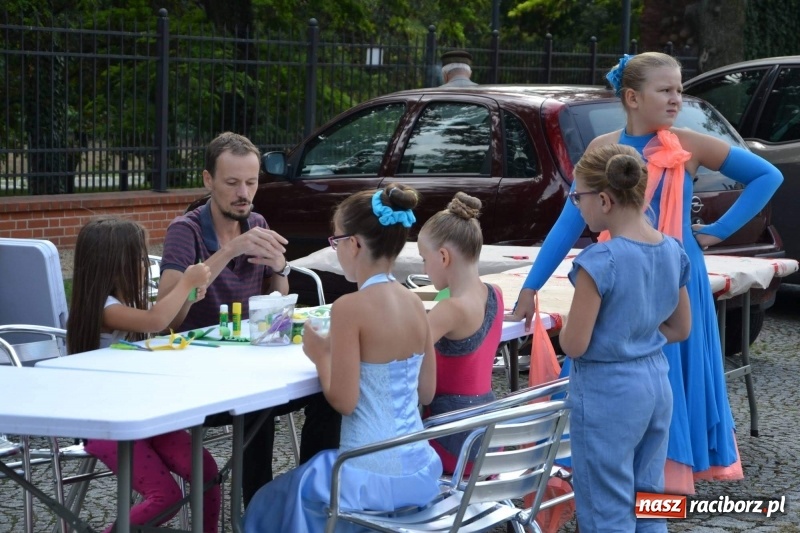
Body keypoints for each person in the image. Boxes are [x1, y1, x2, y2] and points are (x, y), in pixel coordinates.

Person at [510, 52, 783, 494]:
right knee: (634, 378)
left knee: (669, 380)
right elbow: (569, 221)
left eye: (680, 89)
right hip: (623, 280)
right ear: (633, 97)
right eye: (666, 90)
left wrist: (716, 232)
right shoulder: (603, 151)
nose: (677, 98)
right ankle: (631, 489)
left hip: (676, 277)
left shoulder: (689, 143)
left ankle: (657, 496)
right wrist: (531, 284)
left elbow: (766, 176)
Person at [243, 183, 442, 532]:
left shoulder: (350, 307)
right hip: (420, 467)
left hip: (368, 472)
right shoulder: (414, 302)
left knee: (269, 499)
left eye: (335, 241)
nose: (334, 250)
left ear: (355, 243)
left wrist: (320, 355)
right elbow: (426, 393)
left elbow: (345, 402)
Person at [157, 131, 341, 504]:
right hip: (198, 376)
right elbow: (168, 317)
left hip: (250, 364)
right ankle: (256, 510)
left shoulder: (256, 221)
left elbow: (275, 304)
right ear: (208, 180)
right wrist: (229, 251)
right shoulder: (186, 231)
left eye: (252, 182)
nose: (244, 192)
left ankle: (308, 497)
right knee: (257, 406)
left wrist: (280, 267)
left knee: (330, 391)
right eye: (232, 182)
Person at [560, 144, 691, 532]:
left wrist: (571, 327)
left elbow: (575, 344)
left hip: (607, 393)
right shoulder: (672, 250)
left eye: (577, 196)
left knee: (606, 507)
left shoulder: (599, 261)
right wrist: (637, 333)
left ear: (604, 199)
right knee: (650, 497)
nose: (577, 205)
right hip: (655, 383)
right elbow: (681, 329)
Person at [66, 217, 220, 533]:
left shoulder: (122, 304)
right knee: (164, 496)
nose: (145, 265)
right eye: (139, 258)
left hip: (142, 415)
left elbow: (167, 321)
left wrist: (188, 297)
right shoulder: (106, 309)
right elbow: (154, 320)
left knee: (206, 470)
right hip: (105, 425)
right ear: (115, 264)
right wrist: (186, 284)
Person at [416, 192, 503, 474]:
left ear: (443, 257)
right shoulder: (495, 295)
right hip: (488, 436)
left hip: (451, 441)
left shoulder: (449, 309)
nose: (423, 268)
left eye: (423, 259)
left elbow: (405, 351)